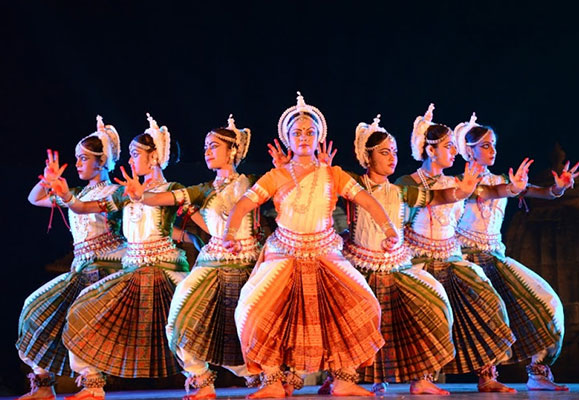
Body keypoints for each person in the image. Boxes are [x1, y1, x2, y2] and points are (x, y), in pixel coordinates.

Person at [223, 93, 399, 398]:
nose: (303, 137)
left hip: (325, 251)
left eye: (309, 132)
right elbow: (243, 203)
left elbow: (365, 199)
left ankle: (343, 378)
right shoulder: (276, 175)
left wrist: (388, 228)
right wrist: (228, 233)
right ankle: (273, 381)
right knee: (251, 312)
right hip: (283, 253)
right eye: (297, 133)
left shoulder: (333, 174)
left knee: (364, 306)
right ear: (288, 139)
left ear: (319, 138)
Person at [342, 115, 486, 395]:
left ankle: (421, 378)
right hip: (360, 268)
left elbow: (434, 197)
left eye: (394, 152)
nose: (392, 158)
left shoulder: (401, 190)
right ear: (366, 157)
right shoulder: (353, 185)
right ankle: (342, 378)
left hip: (395, 267)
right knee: (357, 324)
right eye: (384, 152)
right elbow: (331, 176)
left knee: (428, 308)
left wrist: (461, 192)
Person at [52, 114, 189, 400]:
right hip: (132, 272)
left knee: (187, 323)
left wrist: (210, 249)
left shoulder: (172, 189)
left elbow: (190, 228)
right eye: (129, 154)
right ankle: (91, 384)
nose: (131, 159)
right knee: (80, 313)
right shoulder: (127, 193)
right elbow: (86, 207)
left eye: (136, 154)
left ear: (154, 157)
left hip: (165, 270)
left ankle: (205, 380)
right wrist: (67, 197)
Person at [124, 114, 260, 400]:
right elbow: (169, 199)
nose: (207, 151)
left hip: (247, 267)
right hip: (210, 266)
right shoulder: (204, 189)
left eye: (213, 146)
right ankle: (200, 380)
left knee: (244, 330)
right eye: (205, 147)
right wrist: (141, 197)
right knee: (178, 321)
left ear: (233, 150)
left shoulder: (252, 184)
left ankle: (262, 376)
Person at [396, 104, 527, 393]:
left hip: (452, 259)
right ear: (431, 151)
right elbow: (423, 201)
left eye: (455, 147)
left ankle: (487, 375)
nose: (454, 152)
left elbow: (489, 191)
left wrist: (513, 188)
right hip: (418, 261)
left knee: (487, 304)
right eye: (448, 147)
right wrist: (461, 191)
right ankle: (423, 378)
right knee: (431, 313)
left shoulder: (458, 181)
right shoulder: (408, 182)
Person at [454, 113, 579, 391]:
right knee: (489, 313)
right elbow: (487, 193)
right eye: (485, 145)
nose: (493, 150)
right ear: (468, 150)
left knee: (547, 302)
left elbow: (542, 193)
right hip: (465, 260)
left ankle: (537, 372)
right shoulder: (460, 184)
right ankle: (487, 376)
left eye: (494, 144)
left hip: (495, 258)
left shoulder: (504, 179)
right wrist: (513, 188)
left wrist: (557, 189)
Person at [16, 117, 126, 400]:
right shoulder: (75, 192)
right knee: (34, 311)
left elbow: (79, 208)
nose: (77, 164)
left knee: (80, 322)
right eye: (76, 158)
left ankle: (92, 386)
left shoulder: (117, 193)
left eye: (83, 158)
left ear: (101, 162)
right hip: (79, 270)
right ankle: (43, 385)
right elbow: (34, 198)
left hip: (106, 269)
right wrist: (47, 180)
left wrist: (65, 196)